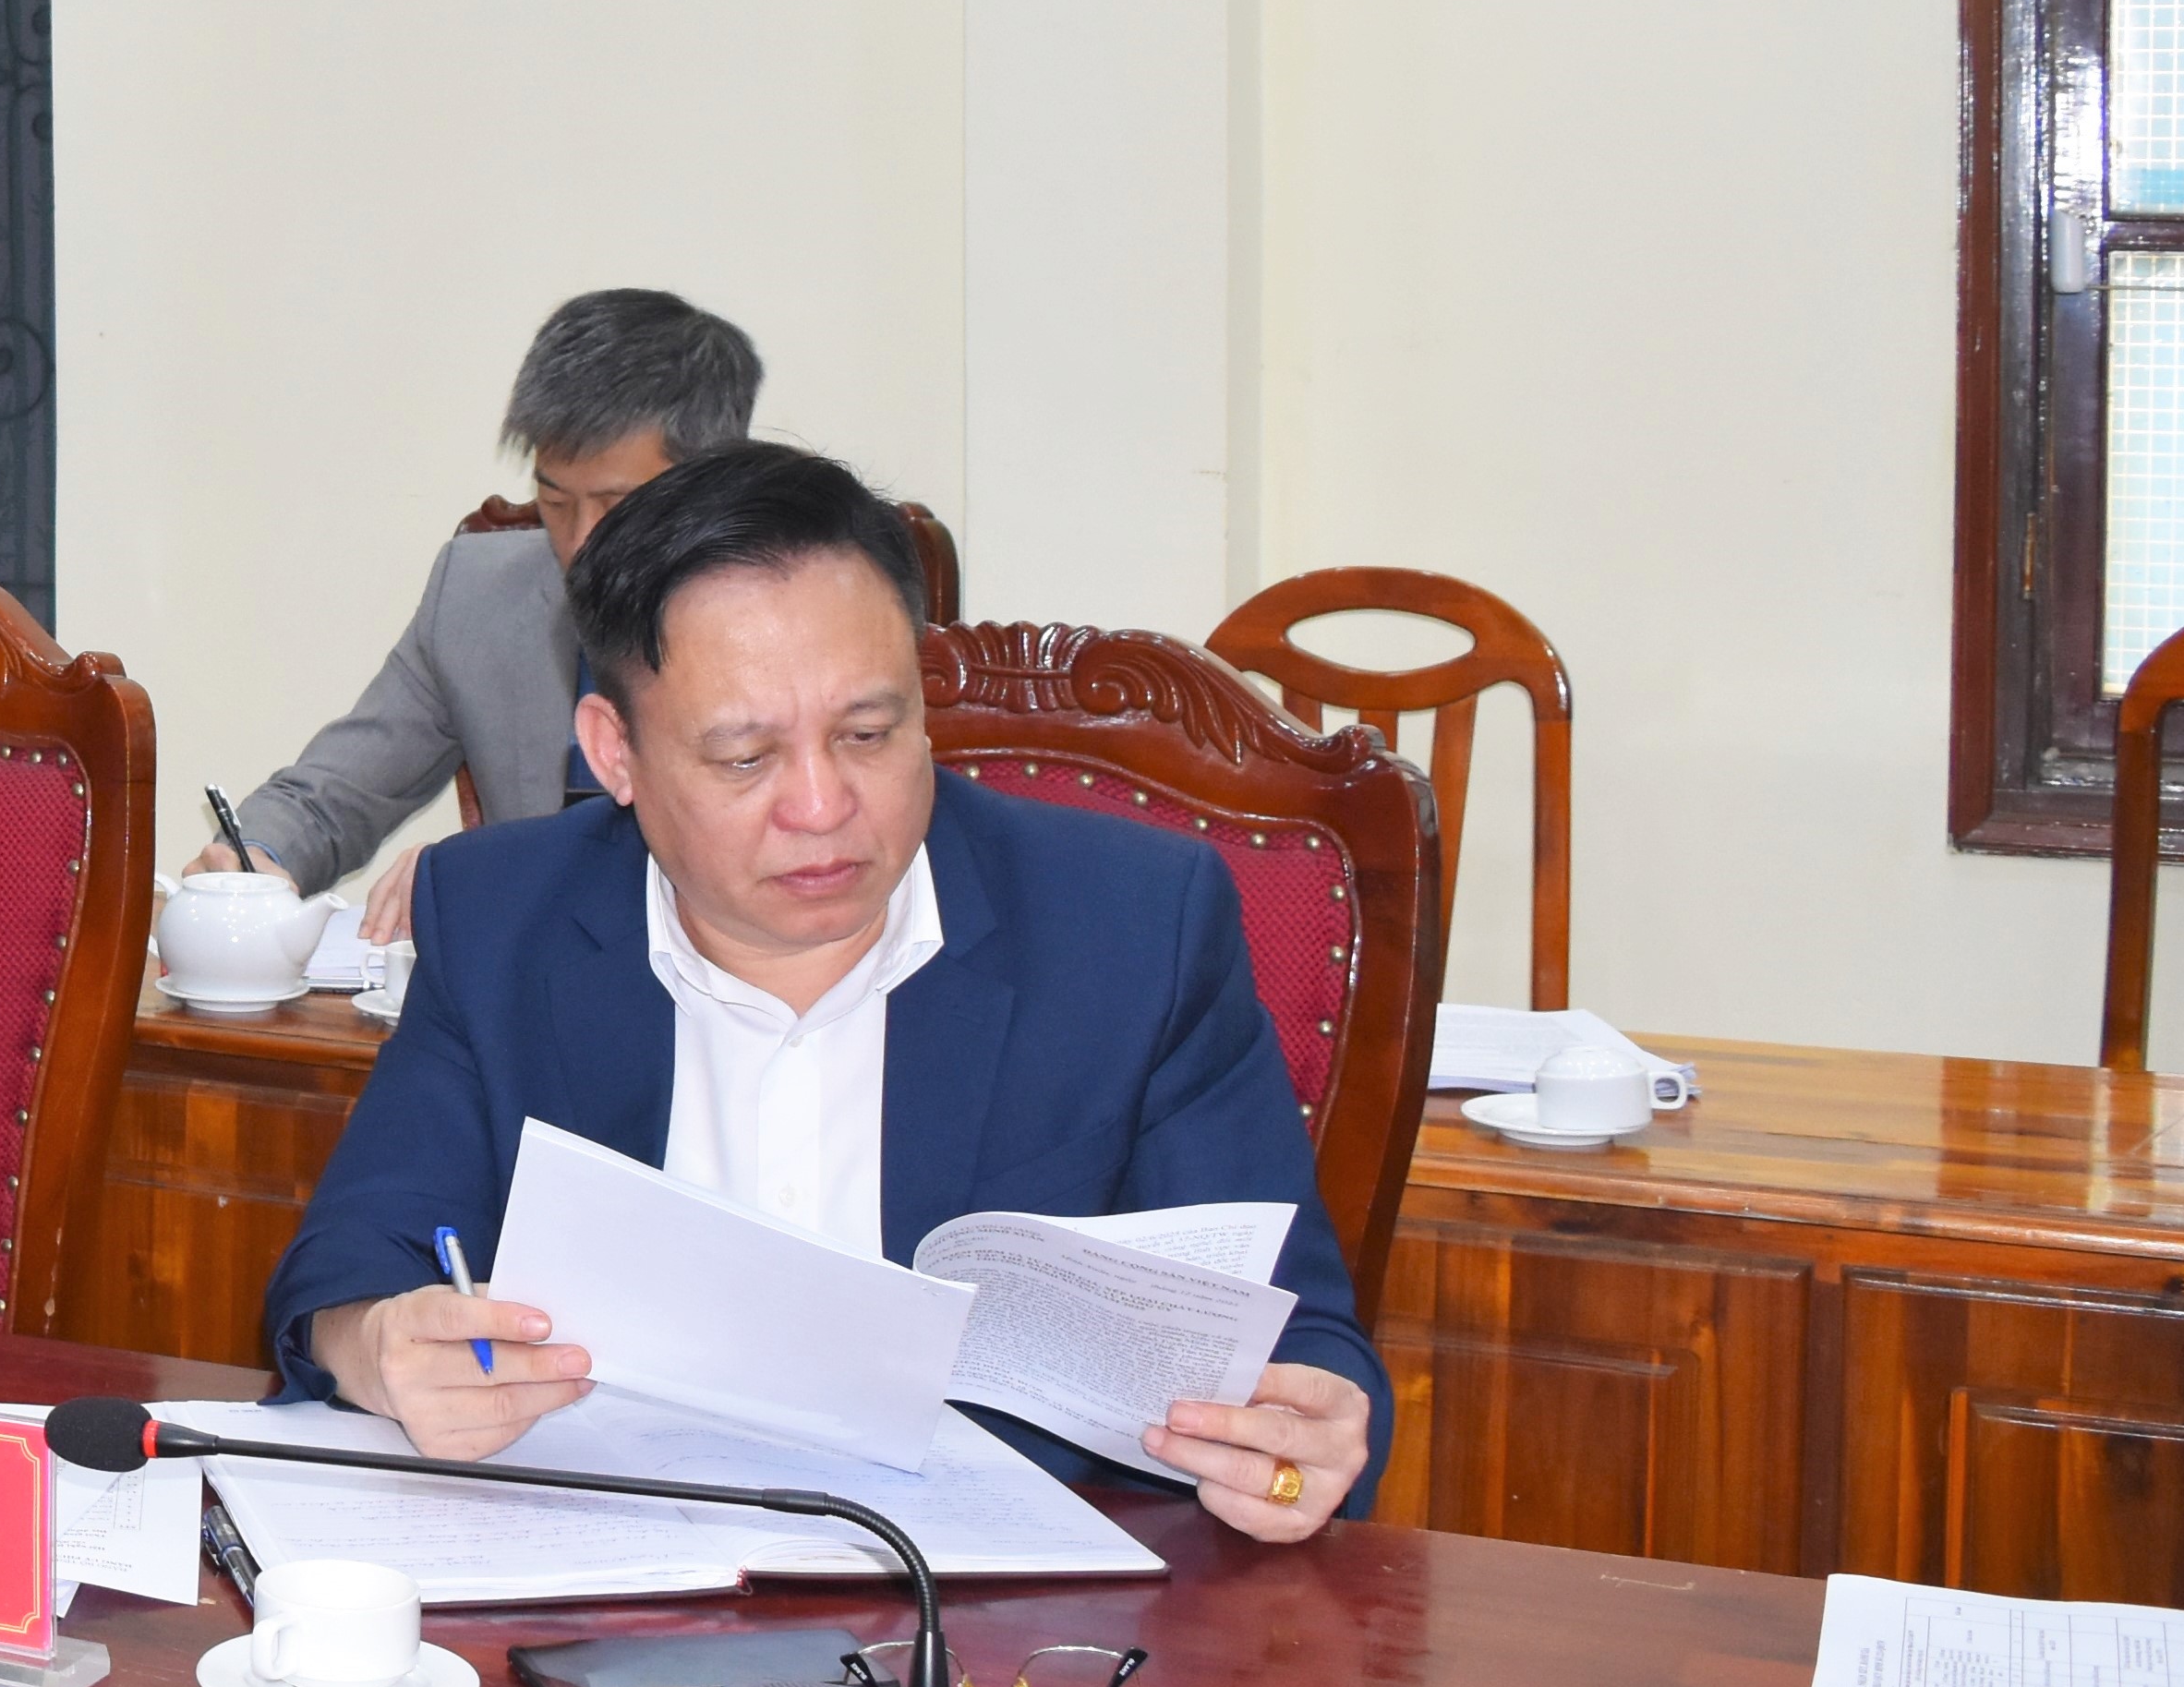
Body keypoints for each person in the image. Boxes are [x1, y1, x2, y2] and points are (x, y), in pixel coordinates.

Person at [258, 440, 1390, 1543]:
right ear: (614, 752)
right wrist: (382, 1351)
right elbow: (350, 1271)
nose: (822, 806)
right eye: (745, 758)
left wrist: (1302, 1448)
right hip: (611, 1583)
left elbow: (1303, 1352)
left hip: (1004, 1627)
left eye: (867, 733)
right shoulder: (503, 917)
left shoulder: (1131, 928)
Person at [183, 290, 762, 943]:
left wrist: (476, 875)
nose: (581, 542)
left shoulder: (792, 620)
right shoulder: (479, 596)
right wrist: (254, 859)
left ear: (711, 482)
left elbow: (761, 853)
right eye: (554, 500)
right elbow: (332, 797)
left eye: (616, 504)